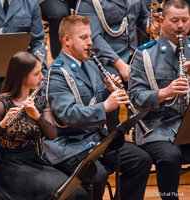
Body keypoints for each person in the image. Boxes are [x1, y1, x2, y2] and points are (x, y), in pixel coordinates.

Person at [43, 15, 152, 200]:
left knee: (141, 160)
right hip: (69, 146)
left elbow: (99, 104)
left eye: (90, 37)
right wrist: (106, 105)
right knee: (97, 176)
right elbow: (67, 115)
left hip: (94, 140)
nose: (90, 42)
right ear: (66, 40)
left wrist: (110, 92)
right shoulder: (57, 73)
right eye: (83, 37)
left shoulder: (92, 64)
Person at [0, 51, 88, 200]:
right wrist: (2, 125)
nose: (42, 77)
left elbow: (52, 134)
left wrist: (37, 117)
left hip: (35, 162)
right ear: (22, 77)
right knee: (71, 195)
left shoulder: (40, 102)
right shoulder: (2, 103)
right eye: (36, 74)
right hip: (9, 169)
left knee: (75, 192)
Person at [128, 0, 190, 199]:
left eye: (185, 20)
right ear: (161, 21)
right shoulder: (144, 54)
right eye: (175, 20)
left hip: (186, 125)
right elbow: (135, 98)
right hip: (157, 127)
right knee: (171, 157)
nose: (180, 25)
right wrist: (165, 92)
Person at [77, 0, 159, 85]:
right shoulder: (89, 2)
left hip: (134, 55)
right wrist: (120, 65)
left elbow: (142, 18)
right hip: (106, 61)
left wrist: (150, 27)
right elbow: (93, 38)